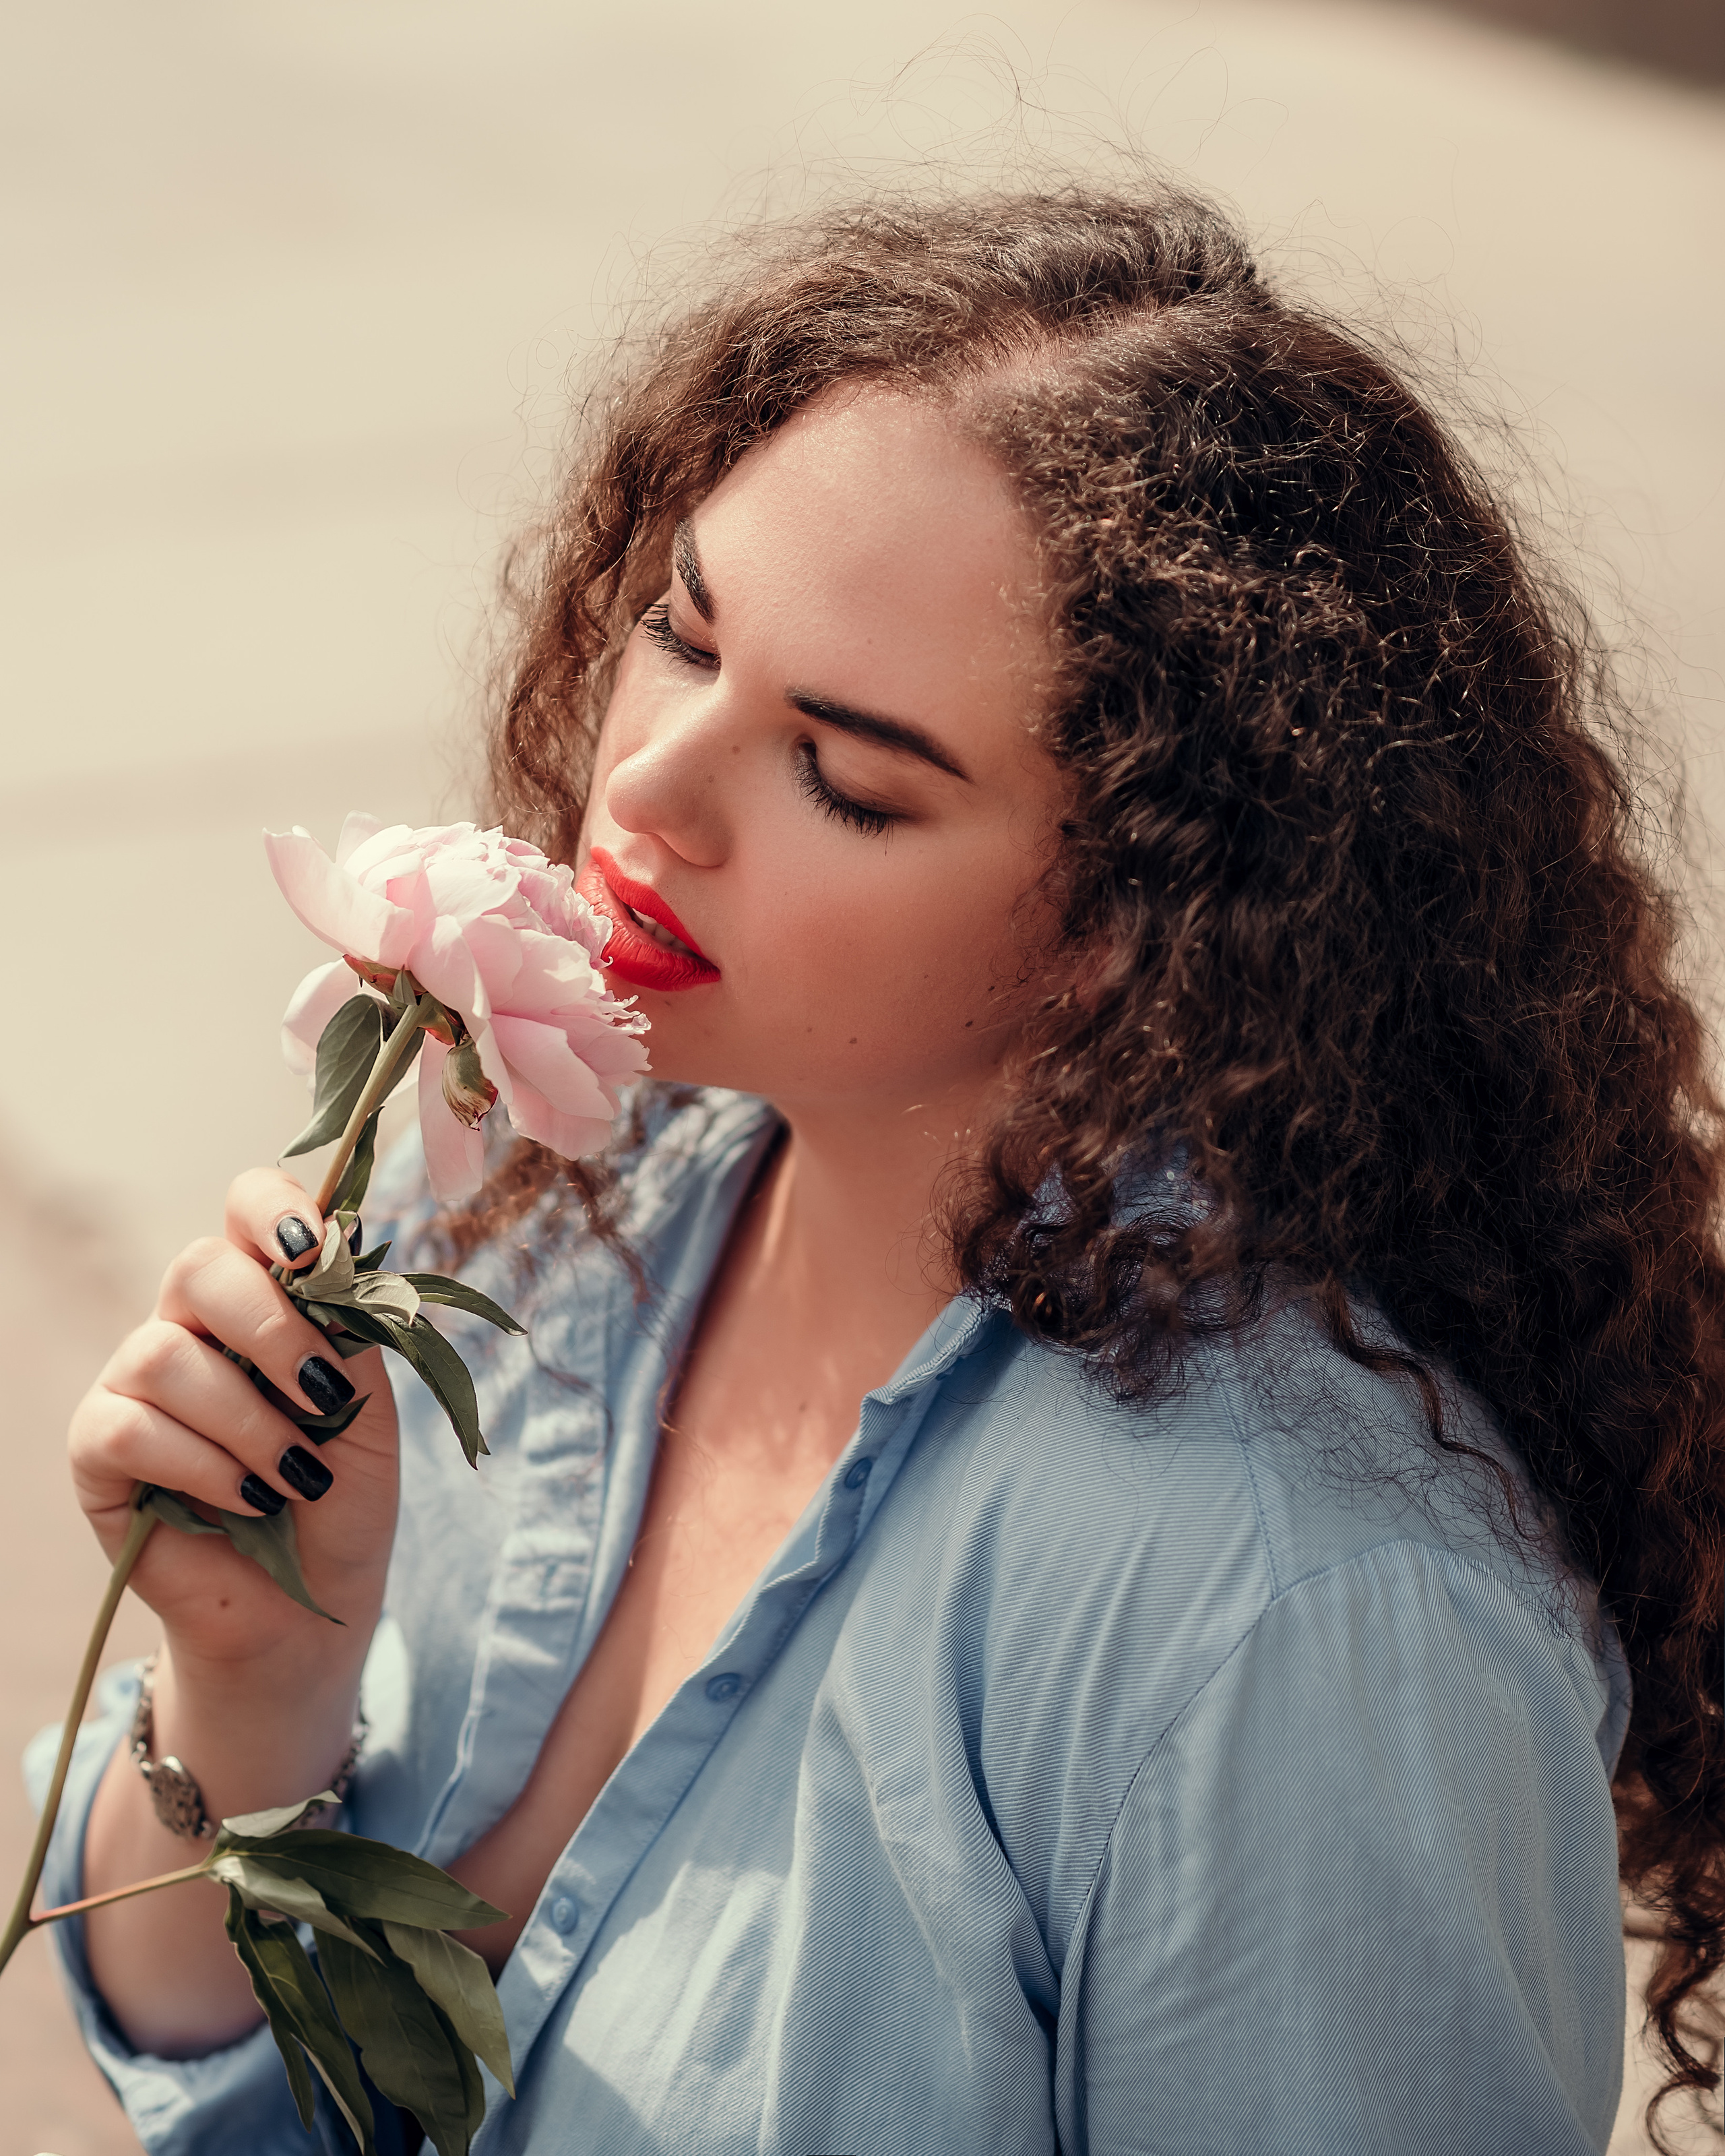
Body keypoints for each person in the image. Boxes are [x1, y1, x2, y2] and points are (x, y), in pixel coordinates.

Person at [36, 181, 1725, 2155]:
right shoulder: (548, 1189)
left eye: (846, 772)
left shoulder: (1304, 1622)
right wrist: (250, 1690)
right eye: (682, 633)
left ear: (1148, 910)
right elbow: (220, 2084)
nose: (651, 789)